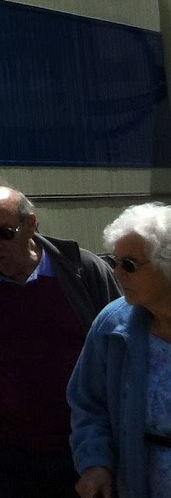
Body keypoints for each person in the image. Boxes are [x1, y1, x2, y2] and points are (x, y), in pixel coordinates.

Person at [0, 185, 119, 497]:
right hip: (7, 458)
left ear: (31, 224)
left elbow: (121, 348)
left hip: (84, 452)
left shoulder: (83, 271)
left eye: (5, 233)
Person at [69, 202, 171, 498]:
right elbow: (88, 404)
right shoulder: (111, 326)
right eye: (113, 261)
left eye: (129, 265)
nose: (116, 273)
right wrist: (96, 462)